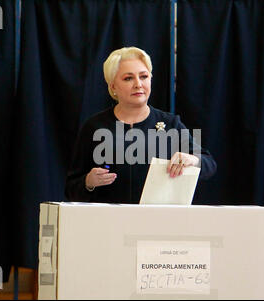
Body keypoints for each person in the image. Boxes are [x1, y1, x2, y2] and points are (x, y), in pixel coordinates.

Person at [65, 47, 216, 203]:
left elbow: (209, 164)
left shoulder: (171, 124)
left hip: (157, 222)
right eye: (128, 78)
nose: (138, 84)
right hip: (109, 222)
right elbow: (71, 188)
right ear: (113, 87)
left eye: (143, 76)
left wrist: (193, 160)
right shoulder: (94, 127)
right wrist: (88, 183)